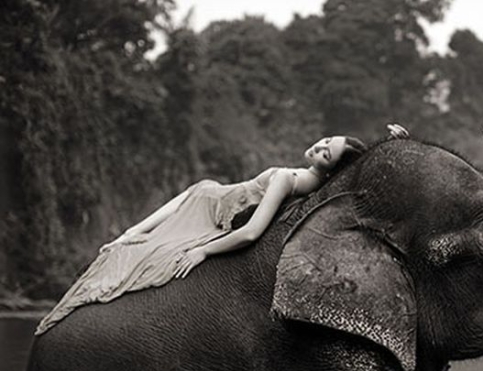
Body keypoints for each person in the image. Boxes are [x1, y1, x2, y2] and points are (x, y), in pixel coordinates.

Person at [35, 124, 410, 335]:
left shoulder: (285, 177)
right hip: (210, 198)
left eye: (326, 153)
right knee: (179, 204)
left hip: (213, 206)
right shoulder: (318, 185)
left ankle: (129, 234)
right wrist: (395, 146)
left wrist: (204, 251)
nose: (319, 146)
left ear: (330, 169)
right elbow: (361, 177)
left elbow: (251, 233)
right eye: (326, 140)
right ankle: (131, 233)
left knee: (142, 240)